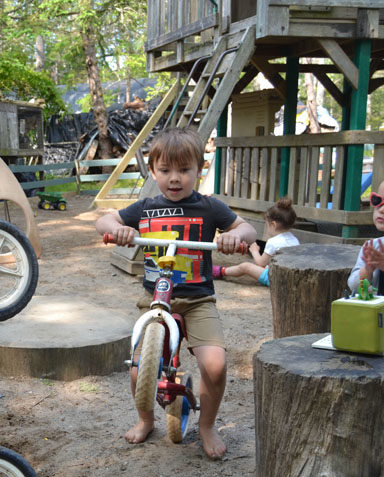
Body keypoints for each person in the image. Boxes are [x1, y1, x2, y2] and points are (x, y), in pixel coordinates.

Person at [95, 127, 256, 459]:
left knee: (215, 365)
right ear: (153, 171)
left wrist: (234, 236)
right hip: (155, 299)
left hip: (198, 299)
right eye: (165, 170)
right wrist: (118, 229)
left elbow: (248, 229)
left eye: (184, 170)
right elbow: (104, 221)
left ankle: (207, 426)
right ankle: (145, 419)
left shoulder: (210, 208)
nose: (174, 178)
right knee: (139, 369)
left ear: (199, 170)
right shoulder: (145, 208)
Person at [214, 197, 299, 286]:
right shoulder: (294, 239)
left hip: (276, 279)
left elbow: (260, 263)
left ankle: (222, 271)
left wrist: (254, 251)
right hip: (291, 278)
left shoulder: (273, 242)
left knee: (246, 266)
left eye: (267, 225)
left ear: (273, 225)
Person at [348, 181, 384, 294]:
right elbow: (353, 287)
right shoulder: (373, 247)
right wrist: (367, 270)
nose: (381, 210)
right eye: (378, 201)